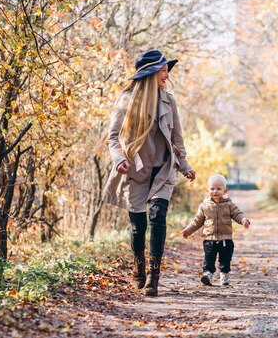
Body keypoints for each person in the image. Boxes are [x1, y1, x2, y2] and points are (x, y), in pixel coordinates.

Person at [103, 49, 196, 297]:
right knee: (138, 225)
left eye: (167, 71)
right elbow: (112, 137)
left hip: (164, 169)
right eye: (163, 71)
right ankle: (139, 268)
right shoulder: (127, 100)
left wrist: (185, 165)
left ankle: (153, 278)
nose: (167, 76)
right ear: (151, 73)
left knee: (157, 217)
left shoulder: (169, 101)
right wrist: (119, 159)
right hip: (136, 170)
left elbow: (177, 139)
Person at [181, 174, 251, 286]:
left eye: (219, 189)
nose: (215, 191)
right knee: (209, 259)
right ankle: (208, 274)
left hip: (226, 239)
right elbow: (197, 221)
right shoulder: (204, 206)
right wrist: (188, 230)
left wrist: (243, 220)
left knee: (225, 259)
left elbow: (237, 213)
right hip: (209, 239)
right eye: (212, 189)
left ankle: (224, 275)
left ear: (225, 190)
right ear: (207, 190)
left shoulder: (229, 205)